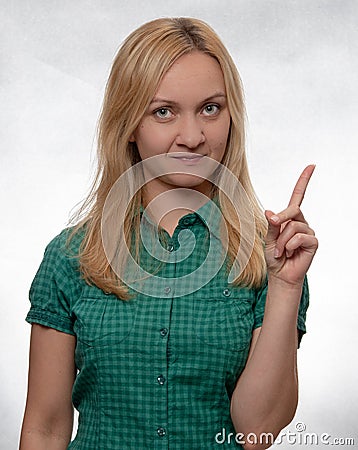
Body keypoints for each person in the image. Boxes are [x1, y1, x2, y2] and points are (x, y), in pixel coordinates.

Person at [19, 17, 318, 450]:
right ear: (128, 125)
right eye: (164, 111)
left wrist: (286, 286)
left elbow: (258, 431)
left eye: (210, 109)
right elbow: (44, 429)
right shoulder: (72, 257)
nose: (193, 137)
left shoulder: (267, 258)